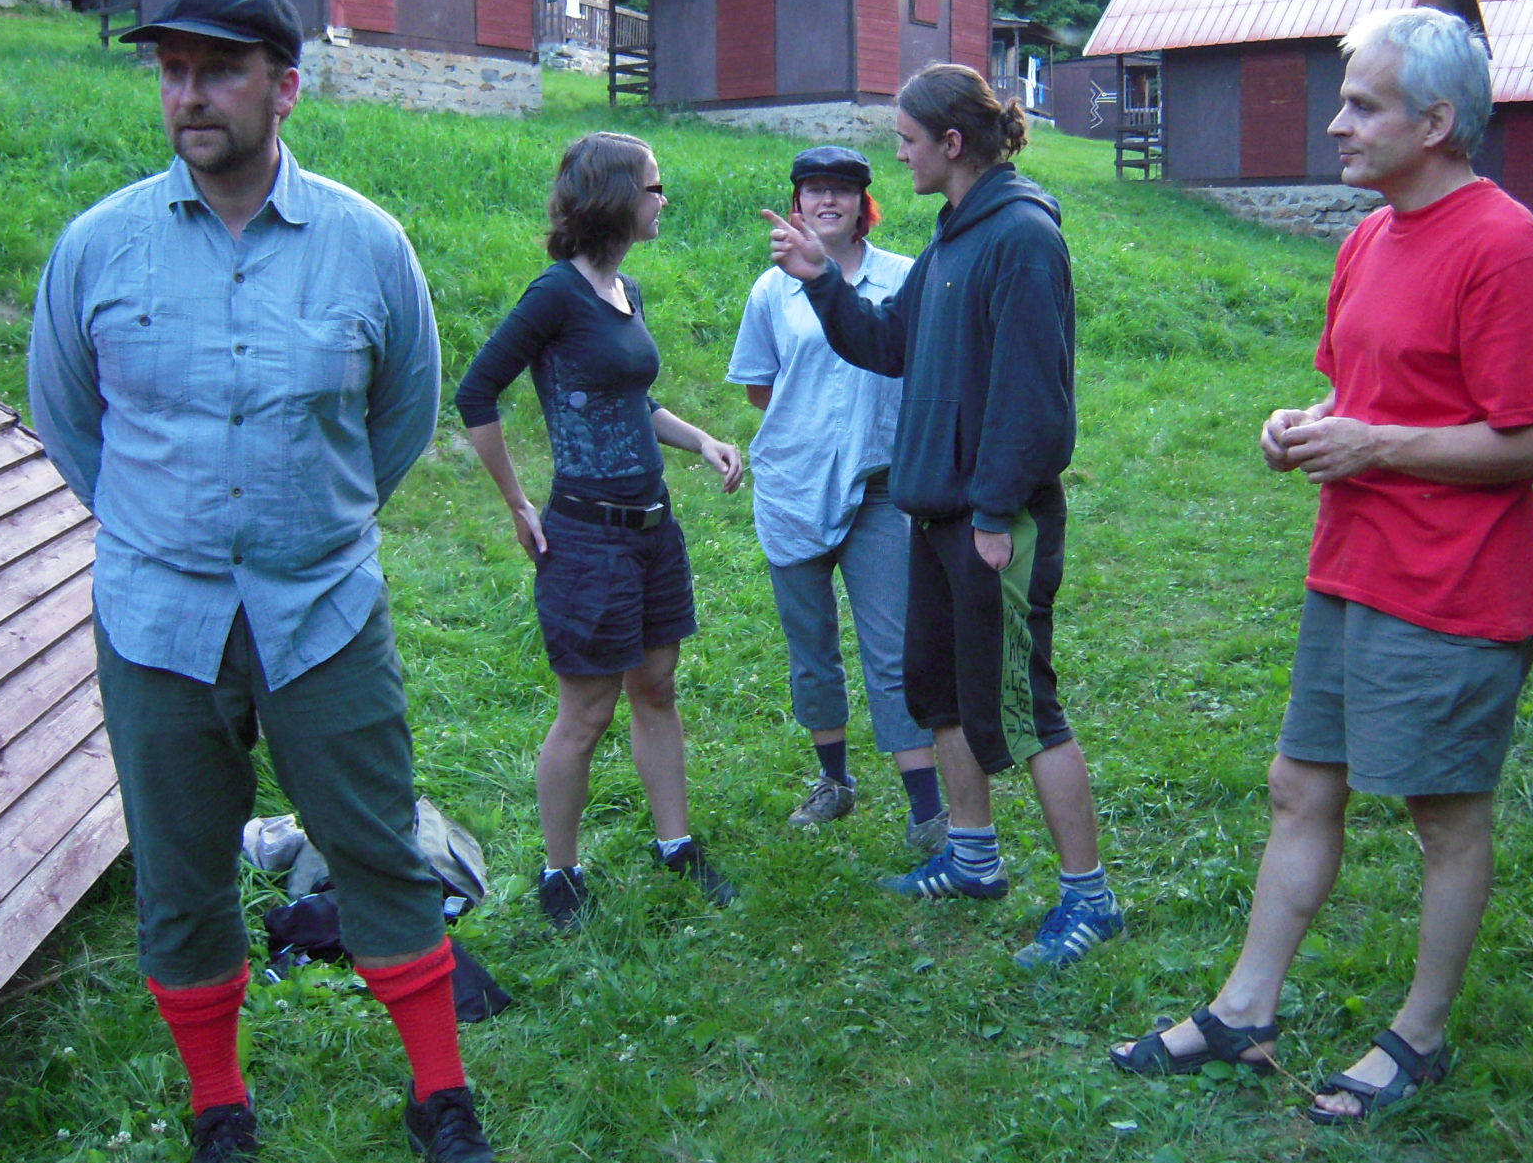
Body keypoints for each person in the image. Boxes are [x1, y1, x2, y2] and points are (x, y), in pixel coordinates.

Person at [28, 0, 497, 1163]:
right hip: (156, 622)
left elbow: (401, 417)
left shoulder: (366, 245)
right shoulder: (97, 247)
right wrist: (167, 536)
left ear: (285, 88)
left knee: (378, 845)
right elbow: (70, 425)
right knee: (181, 871)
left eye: (220, 70)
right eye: (173, 70)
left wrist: (306, 528)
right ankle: (217, 1109)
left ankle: (440, 1096)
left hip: (321, 613)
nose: (190, 94)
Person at [1108, 7, 1533, 1123]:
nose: (1336, 125)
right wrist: (1305, 423)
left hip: (1456, 585)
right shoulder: (1369, 238)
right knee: (1298, 786)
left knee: (1442, 816)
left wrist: (1377, 447)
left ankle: (1419, 1037)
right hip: (1352, 565)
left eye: (1362, 106)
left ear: (1436, 122)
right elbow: (1359, 393)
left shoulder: (1503, 244)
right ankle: (1244, 1012)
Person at [763, 63, 1123, 970]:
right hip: (933, 514)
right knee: (940, 695)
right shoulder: (953, 237)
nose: (900, 155)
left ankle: (1091, 898)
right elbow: (890, 343)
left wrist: (996, 512)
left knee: (1025, 707)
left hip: (992, 521)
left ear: (952, 144)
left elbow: (1035, 402)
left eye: (908, 140)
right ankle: (971, 857)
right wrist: (821, 280)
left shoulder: (1022, 238)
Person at [456, 132, 744, 933]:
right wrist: (518, 503)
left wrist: (702, 441)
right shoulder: (555, 295)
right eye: (654, 187)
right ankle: (560, 872)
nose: (663, 200)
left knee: (657, 686)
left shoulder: (627, 291)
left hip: (652, 528)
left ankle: (675, 845)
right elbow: (477, 392)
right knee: (585, 713)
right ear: (616, 197)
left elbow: (631, 402)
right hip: (586, 539)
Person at [728, 145, 947, 853]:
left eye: (842, 191)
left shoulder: (903, 279)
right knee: (812, 651)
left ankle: (927, 809)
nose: (827, 201)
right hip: (792, 487)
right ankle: (834, 782)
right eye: (814, 190)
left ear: (863, 206)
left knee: (893, 649)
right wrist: (813, 433)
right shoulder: (771, 291)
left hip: (879, 488)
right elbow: (760, 388)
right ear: (796, 204)